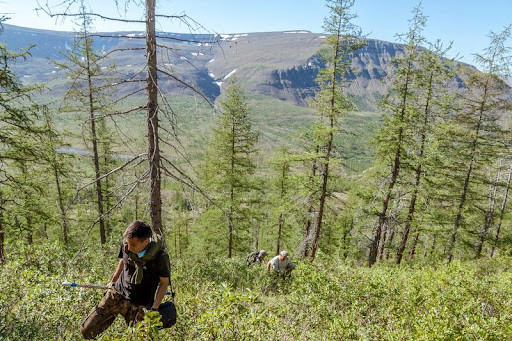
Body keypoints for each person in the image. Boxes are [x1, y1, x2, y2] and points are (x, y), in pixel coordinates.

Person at [81, 221, 171, 340]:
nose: (128, 248)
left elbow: (164, 284)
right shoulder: (127, 244)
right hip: (117, 295)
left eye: (133, 245)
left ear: (146, 241)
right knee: (86, 331)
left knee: (142, 338)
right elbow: (122, 262)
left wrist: (154, 309)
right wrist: (112, 282)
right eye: (127, 244)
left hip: (139, 305)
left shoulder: (160, 258)